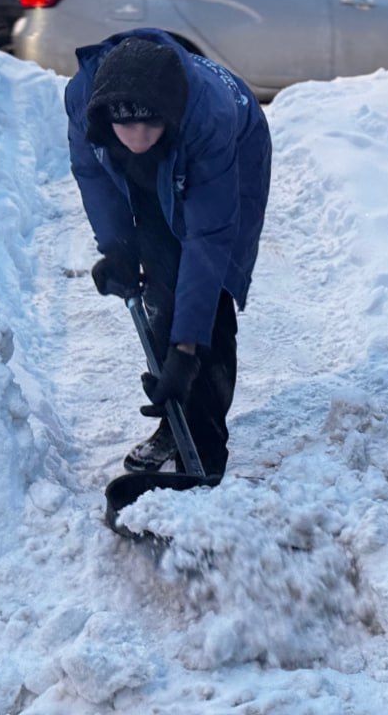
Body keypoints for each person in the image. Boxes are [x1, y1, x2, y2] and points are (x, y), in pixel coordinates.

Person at [65, 30, 272, 479]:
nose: (138, 136)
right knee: (162, 283)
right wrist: (119, 249)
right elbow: (93, 175)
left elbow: (208, 239)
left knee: (207, 303)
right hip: (164, 153)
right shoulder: (85, 99)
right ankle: (174, 421)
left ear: (168, 114)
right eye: (125, 125)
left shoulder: (210, 116)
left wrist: (186, 348)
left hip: (228, 156)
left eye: (149, 124)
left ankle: (205, 455)